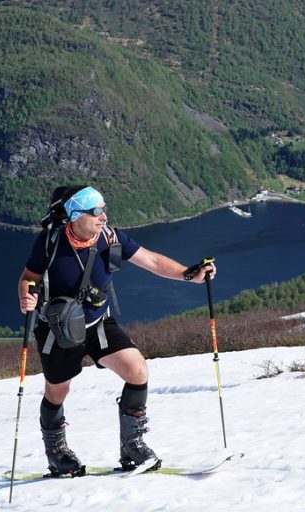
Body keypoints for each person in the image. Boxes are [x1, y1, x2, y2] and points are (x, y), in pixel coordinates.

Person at [17, 186, 216, 476]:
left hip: (97, 324)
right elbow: (29, 278)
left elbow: (152, 261)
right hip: (58, 331)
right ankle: (57, 452)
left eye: (103, 209)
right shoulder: (50, 242)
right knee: (58, 391)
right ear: (75, 215)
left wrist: (190, 274)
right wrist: (26, 295)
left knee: (137, 370)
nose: (103, 216)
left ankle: (133, 446)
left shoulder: (112, 238)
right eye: (96, 211)